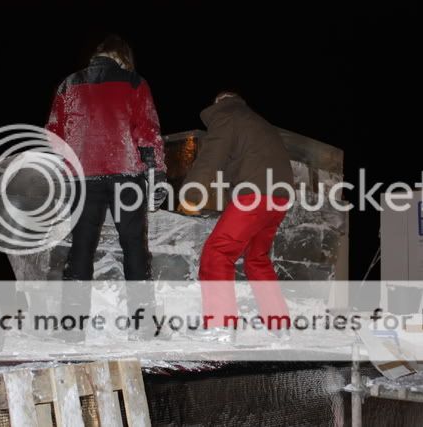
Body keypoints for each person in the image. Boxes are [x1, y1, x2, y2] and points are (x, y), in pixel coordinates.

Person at [46, 35, 166, 341]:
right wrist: (158, 175)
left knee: (81, 248)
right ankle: (143, 326)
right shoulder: (134, 82)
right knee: (134, 248)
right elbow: (148, 133)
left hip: (82, 176)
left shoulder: (68, 84)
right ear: (122, 57)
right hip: (126, 174)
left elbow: (54, 135)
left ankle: (71, 329)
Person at [179, 92, 294, 336]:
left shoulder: (227, 115)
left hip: (255, 196)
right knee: (257, 259)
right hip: (280, 198)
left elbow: (211, 158)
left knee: (217, 253)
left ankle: (220, 325)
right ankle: (280, 325)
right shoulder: (259, 122)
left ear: (218, 102)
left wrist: (192, 194)